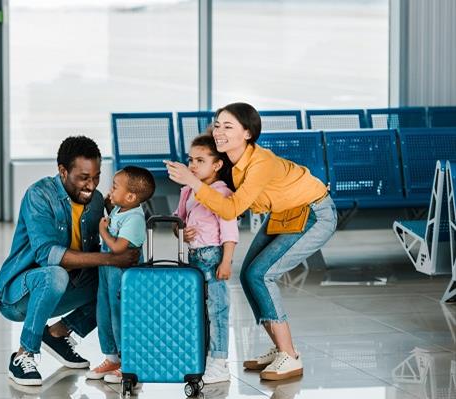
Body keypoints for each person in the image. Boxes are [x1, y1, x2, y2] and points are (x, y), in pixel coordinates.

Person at [165, 102, 337, 381]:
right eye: (218, 124)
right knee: (248, 276)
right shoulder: (230, 161)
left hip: (314, 213)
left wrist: (193, 182)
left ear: (247, 133)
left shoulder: (260, 163)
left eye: (228, 126)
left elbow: (231, 209)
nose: (220, 131)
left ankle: (290, 355)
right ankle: (280, 348)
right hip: (285, 213)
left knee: (262, 273)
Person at [0, 136, 140, 386]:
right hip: (20, 295)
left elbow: (106, 242)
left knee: (114, 280)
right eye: (84, 177)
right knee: (56, 273)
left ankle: (57, 334)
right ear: (63, 171)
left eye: (96, 177)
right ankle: (24, 354)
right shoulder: (39, 195)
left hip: (67, 289)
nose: (92, 185)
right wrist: (109, 258)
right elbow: (48, 255)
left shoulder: (94, 201)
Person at [173, 134, 238, 384]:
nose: (192, 166)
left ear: (217, 165)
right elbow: (177, 220)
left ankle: (219, 362)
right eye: (191, 160)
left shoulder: (222, 193)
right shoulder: (188, 191)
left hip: (213, 258)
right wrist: (181, 231)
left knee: (218, 310)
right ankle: (202, 356)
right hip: (193, 259)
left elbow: (230, 231)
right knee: (198, 310)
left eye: (200, 160)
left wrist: (227, 261)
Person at [85, 166, 156, 384]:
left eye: (115, 187)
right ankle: (111, 357)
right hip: (107, 273)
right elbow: (114, 217)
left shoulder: (135, 217)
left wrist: (103, 231)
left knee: (121, 316)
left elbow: (118, 247)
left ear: (131, 196)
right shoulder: (120, 209)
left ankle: (130, 362)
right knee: (104, 313)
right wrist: (110, 203)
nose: (110, 190)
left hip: (123, 275)